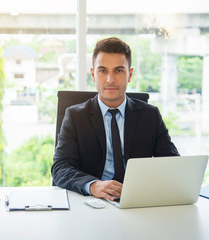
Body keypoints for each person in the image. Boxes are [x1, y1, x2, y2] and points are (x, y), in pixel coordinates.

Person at [51, 37, 179, 201]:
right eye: (103, 70)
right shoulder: (75, 116)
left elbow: (172, 165)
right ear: (93, 74)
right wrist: (92, 185)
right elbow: (60, 168)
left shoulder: (150, 115)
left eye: (118, 70)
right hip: (92, 201)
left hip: (138, 201)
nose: (110, 79)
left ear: (129, 74)